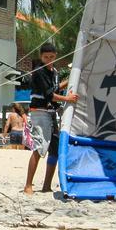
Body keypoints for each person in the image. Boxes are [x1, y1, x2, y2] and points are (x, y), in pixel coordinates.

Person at [24, 44, 78, 195]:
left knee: (54, 149)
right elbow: (49, 94)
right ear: (41, 57)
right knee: (40, 147)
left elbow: (55, 88)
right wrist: (68, 98)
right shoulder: (39, 72)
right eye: (46, 57)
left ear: (56, 56)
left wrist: (69, 81)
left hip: (51, 113)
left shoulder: (54, 72)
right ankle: (28, 185)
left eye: (52, 57)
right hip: (40, 113)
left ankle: (46, 185)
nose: (48, 59)